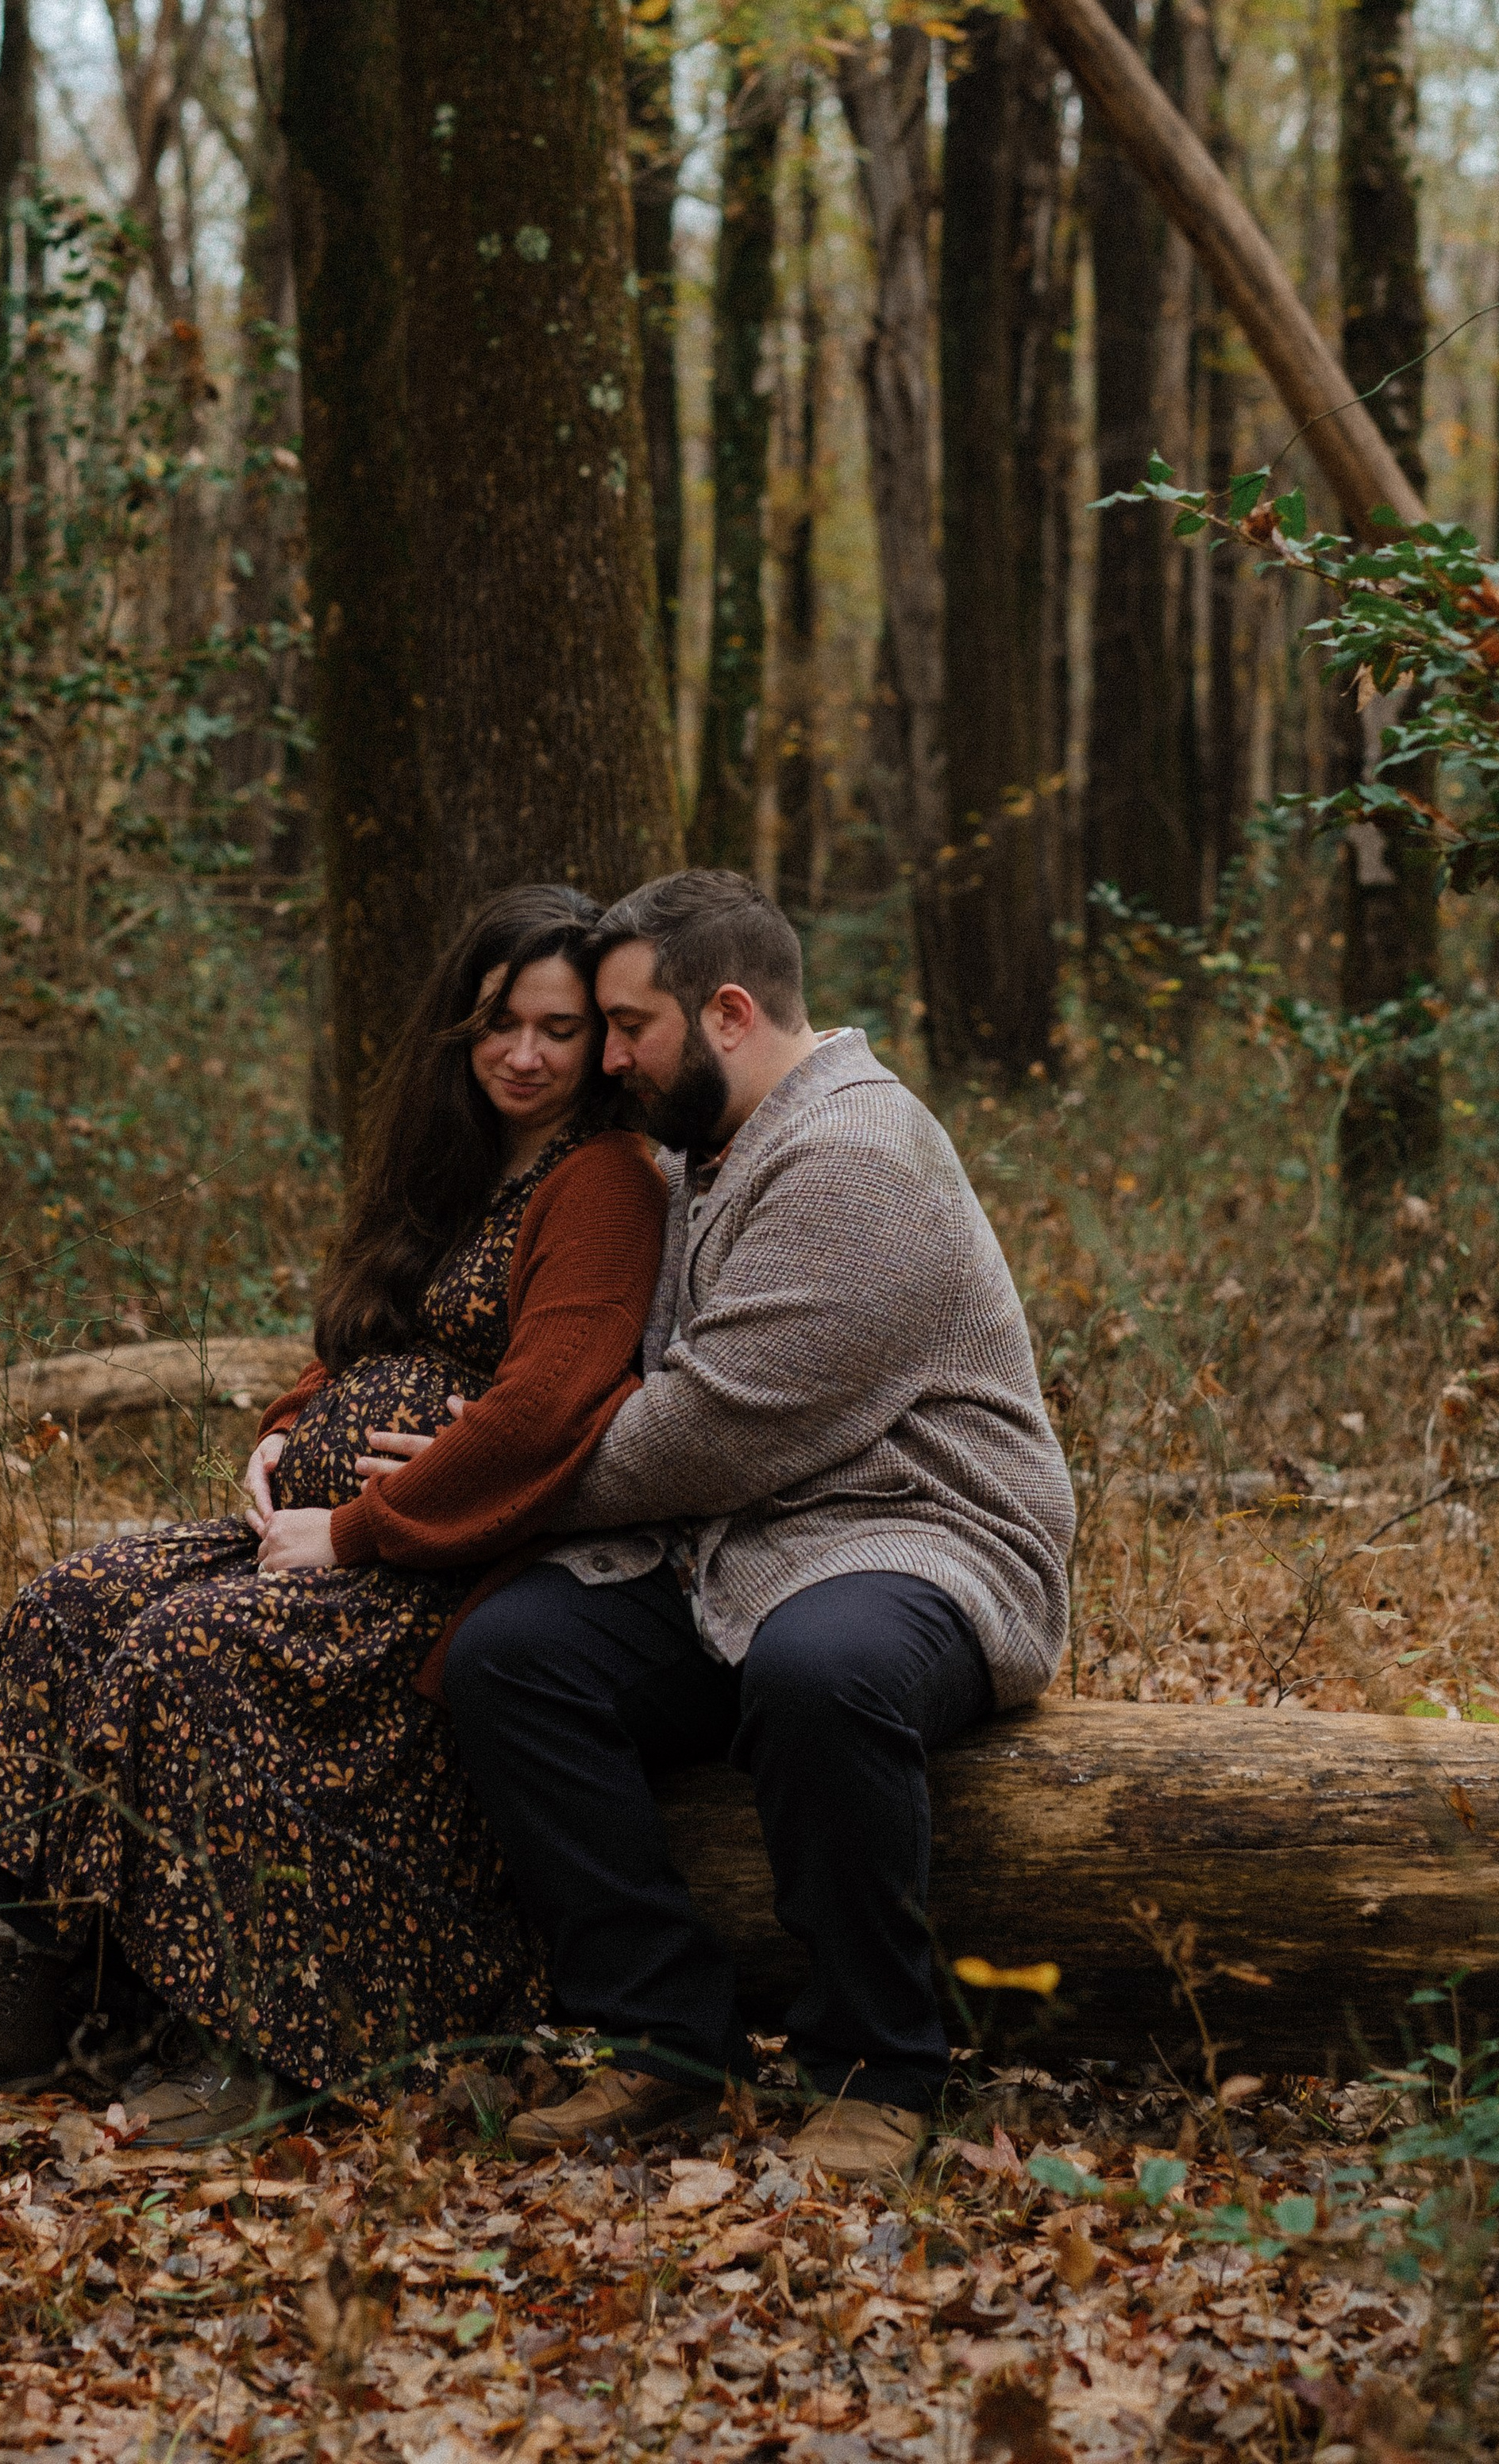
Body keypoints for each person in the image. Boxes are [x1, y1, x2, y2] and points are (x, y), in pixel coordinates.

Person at [0, 886, 667, 2143]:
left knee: (188, 1652)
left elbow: (544, 1407)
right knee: (63, 1606)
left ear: (603, 1046)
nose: (523, 1055)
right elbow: (358, 1344)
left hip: (436, 1567)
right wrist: (278, 1431)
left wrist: (355, 1531)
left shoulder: (602, 1183)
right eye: (496, 1025)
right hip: (311, 1538)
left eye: (560, 1030)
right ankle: (22, 1985)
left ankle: (251, 2045)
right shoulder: (458, 1166)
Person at [420, 868, 1075, 2181]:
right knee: (512, 1662)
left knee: (818, 1671)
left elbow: (706, 1430)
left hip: (919, 1535)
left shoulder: (853, 1157)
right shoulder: (699, 1149)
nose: (606, 1059)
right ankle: (669, 2038)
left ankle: (880, 2064)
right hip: (735, 1546)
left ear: (727, 1013)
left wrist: (473, 1487)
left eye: (625, 1027)